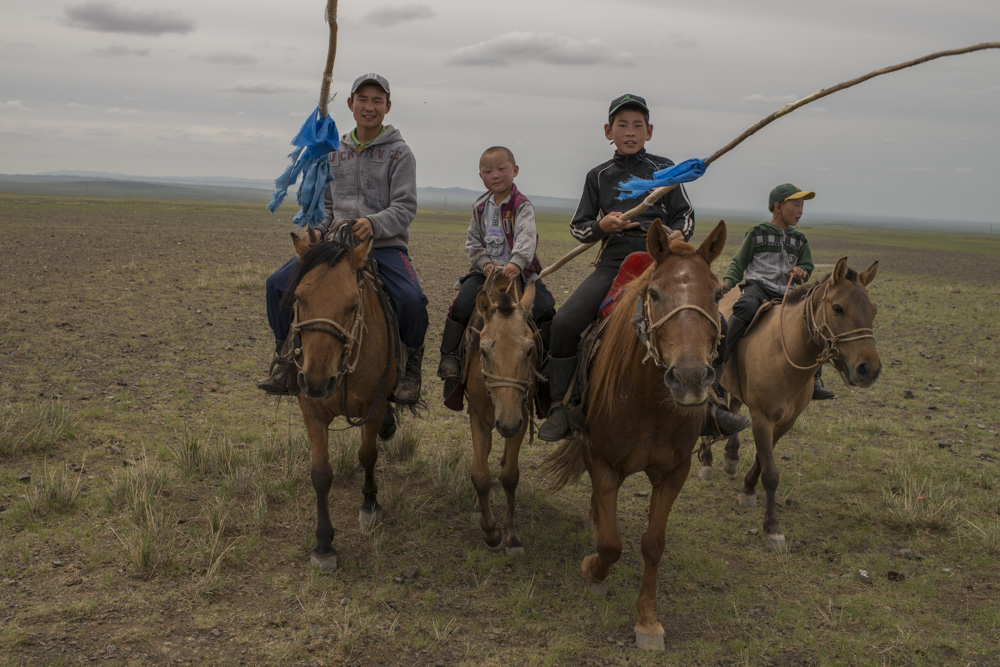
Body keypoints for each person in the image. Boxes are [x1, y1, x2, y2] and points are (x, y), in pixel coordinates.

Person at [537, 94, 750, 442]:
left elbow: (686, 214)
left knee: (720, 323)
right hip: (615, 260)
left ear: (649, 131)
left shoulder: (665, 171)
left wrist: (682, 231)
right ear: (609, 130)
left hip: (664, 261)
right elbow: (580, 226)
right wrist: (602, 226)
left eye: (638, 125)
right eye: (622, 125)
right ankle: (565, 406)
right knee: (564, 323)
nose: (630, 131)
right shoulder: (599, 176)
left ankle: (713, 405)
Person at [258, 73, 429, 404]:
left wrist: (374, 224)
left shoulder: (400, 153)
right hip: (335, 245)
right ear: (350, 104)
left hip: (383, 245)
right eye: (362, 99)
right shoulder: (334, 150)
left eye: (377, 100)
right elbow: (328, 206)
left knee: (412, 299)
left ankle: (411, 372)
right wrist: (319, 230)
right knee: (276, 284)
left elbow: (405, 207)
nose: (369, 106)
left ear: (388, 107)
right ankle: (285, 358)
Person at [437, 146, 556, 396]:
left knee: (545, 308)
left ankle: (547, 368)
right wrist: (484, 263)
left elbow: (526, 237)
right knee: (460, 306)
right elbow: (472, 241)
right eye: (488, 171)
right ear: (481, 176)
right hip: (486, 275)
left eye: (501, 169)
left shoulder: (522, 206)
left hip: (519, 273)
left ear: (515, 171)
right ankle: (450, 359)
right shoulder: (479, 207)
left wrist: (516, 262)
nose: (495, 175)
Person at [721, 183, 834, 400]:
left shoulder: (800, 239)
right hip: (759, 287)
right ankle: (719, 362)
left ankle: (814, 378)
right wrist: (728, 283)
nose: (800, 211)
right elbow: (739, 262)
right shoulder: (757, 233)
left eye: (802, 206)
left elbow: (808, 267)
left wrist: (802, 271)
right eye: (796, 205)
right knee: (746, 306)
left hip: (788, 293)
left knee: (812, 317)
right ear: (777, 207)